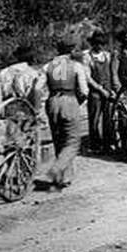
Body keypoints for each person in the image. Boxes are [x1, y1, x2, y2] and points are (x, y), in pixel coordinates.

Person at [39, 35, 89, 190]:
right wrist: (78, 103)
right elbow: (84, 91)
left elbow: (37, 88)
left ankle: (63, 178)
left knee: (59, 139)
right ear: (71, 50)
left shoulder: (47, 66)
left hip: (52, 101)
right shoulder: (76, 66)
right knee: (73, 141)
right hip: (69, 99)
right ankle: (57, 170)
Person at [82, 31, 116, 154]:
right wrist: (100, 89)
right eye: (97, 44)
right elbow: (88, 78)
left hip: (108, 90)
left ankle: (108, 144)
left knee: (109, 118)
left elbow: (111, 74)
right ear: (93, 44)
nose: (99, 46)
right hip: (95, 92)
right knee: (94, 119)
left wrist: (112, 90)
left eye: (101, 44)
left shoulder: (107, 55)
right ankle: (95, 145)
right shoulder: (87, 57)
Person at [0, 44, 45, 110]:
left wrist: (0, 111)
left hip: (9, 108)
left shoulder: (4, 72)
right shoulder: (33, 73)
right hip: (26, 109)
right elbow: (36, 92)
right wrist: (37, 109)